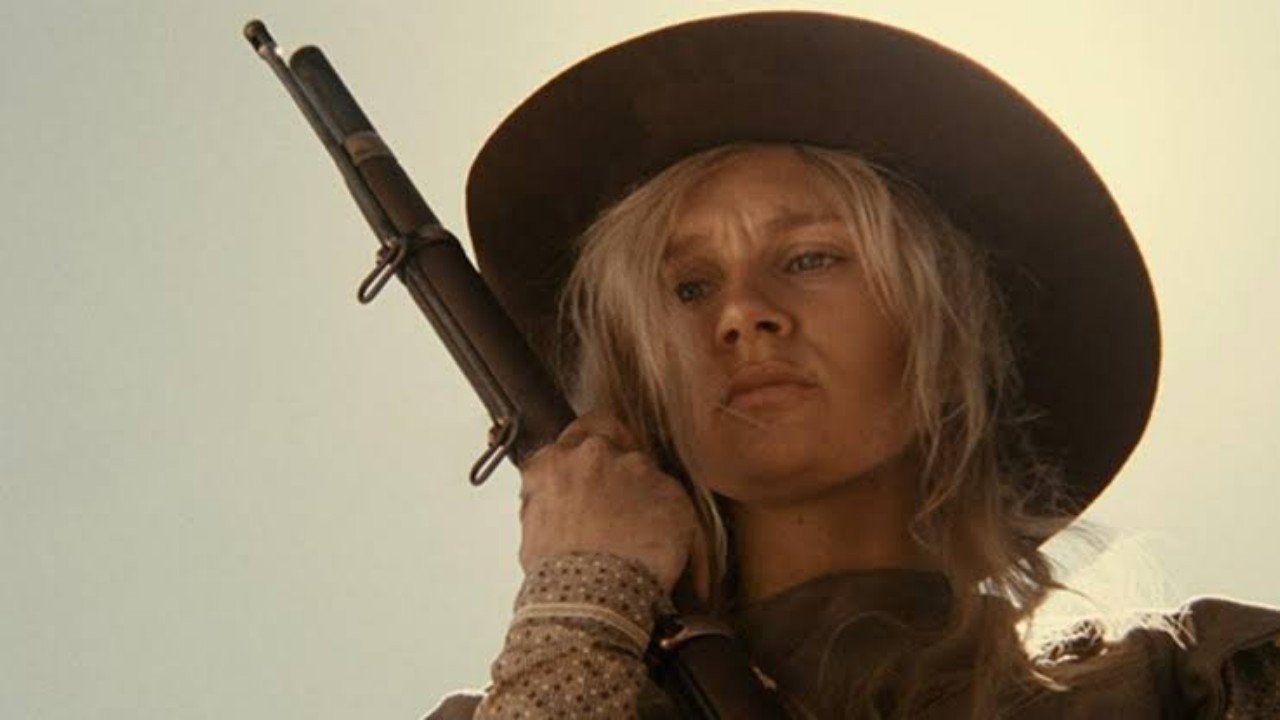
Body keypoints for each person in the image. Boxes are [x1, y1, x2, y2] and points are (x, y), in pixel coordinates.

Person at [428, 12, 1280, 719]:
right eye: (689, 287)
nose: (741, 312)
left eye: (810, 259)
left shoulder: (1196, 688)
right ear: (646, 380)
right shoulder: (529, 685)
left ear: (947, 331)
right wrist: (581, 601)